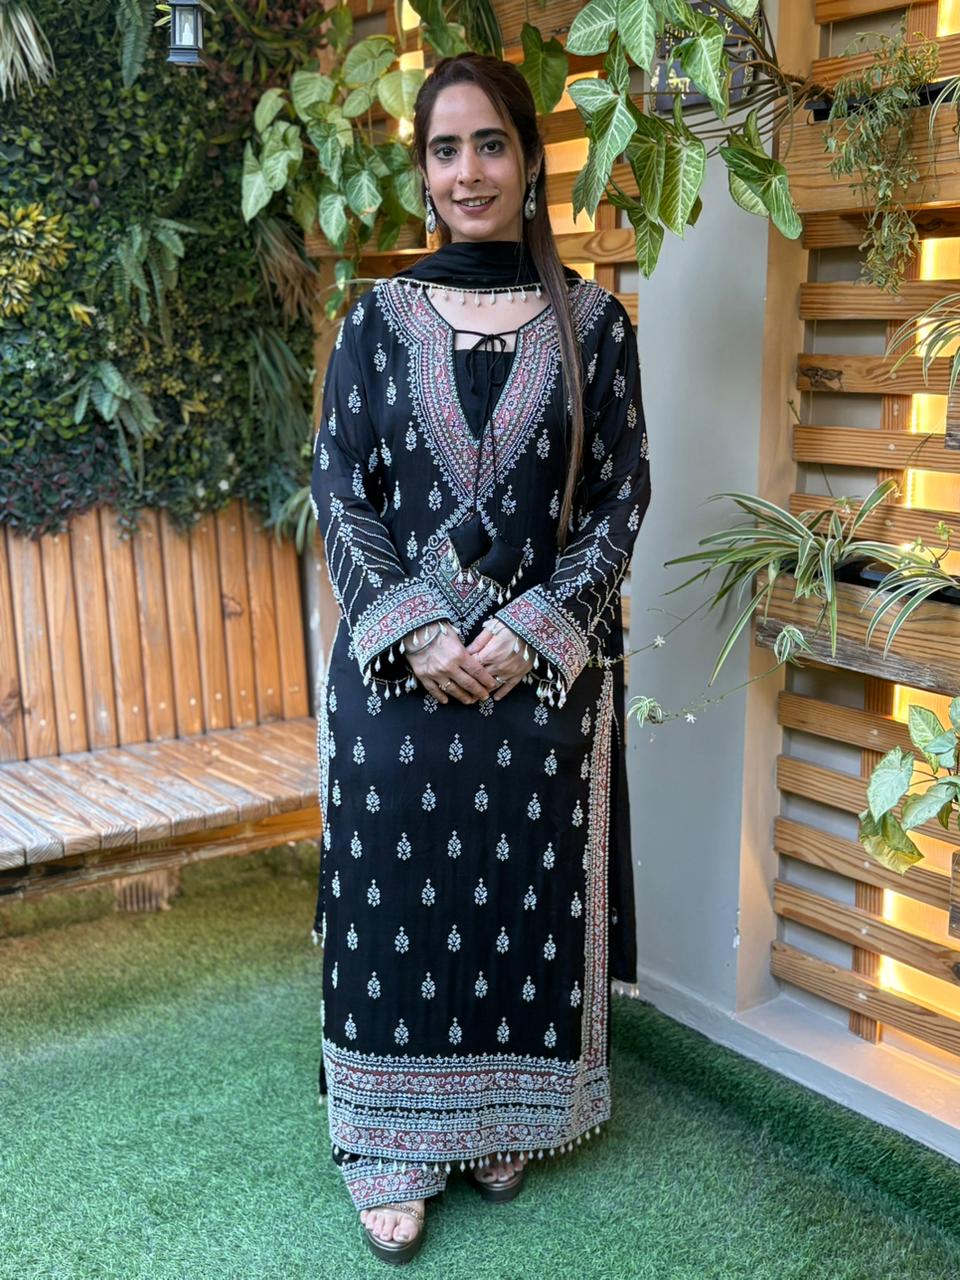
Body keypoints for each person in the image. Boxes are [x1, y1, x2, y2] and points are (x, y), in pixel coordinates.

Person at [309, 50, 652, 1264]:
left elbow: (620, 496)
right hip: (402, 664)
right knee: (395, 801)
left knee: (521, 824)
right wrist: (413, 628)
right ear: (423, 172)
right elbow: (339, 484)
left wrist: (530, 631)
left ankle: (501, 1112)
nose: (469, 172)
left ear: (530, 159)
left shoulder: (596, 325)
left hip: (536, 664)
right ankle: (388, 1141)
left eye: (490, 144)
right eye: (445, 150)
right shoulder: (375, 321)